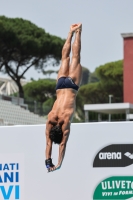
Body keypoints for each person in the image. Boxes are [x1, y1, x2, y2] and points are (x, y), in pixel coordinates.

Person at [45, 23, 82, 172]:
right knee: (64, 58)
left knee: (76, 57)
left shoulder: (65, 121)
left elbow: (62, 145)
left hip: (72, 86)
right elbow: (48, 144)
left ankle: (78, 32)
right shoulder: (50, 119)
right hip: (60, 86)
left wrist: (58, 164)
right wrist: (48, 162)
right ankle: (70, 32)